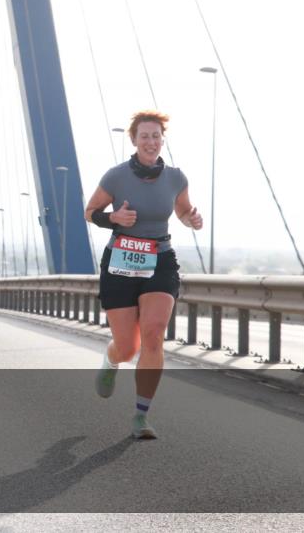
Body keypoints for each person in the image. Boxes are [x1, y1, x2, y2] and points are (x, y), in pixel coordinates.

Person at [84, 110, 202, 440]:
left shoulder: (176, 178)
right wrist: (114, 218)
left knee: (152, 334)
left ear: (162, 140)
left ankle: (141, 414)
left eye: (156, 136)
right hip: (121, 262)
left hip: (159, 260)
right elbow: (90, 212)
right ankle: (111, 360)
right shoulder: (116, 176)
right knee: (126, 346)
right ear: (134, 140)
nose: (150, 142)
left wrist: (191, 219)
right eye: (144, 136)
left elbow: (181, 210)